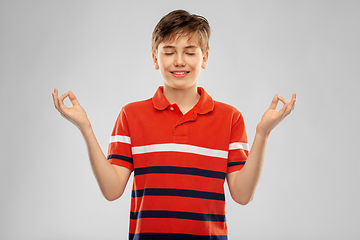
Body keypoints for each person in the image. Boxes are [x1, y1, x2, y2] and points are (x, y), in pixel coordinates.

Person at [52, 9, 296, 240]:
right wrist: (85, 127)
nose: (179, 61)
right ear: (155, 58)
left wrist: (262, 133)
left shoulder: (230, 117)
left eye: (190, 52)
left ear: (205, 58)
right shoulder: (130, 115)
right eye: (169, 52)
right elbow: (112, 189)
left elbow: (242, 195)